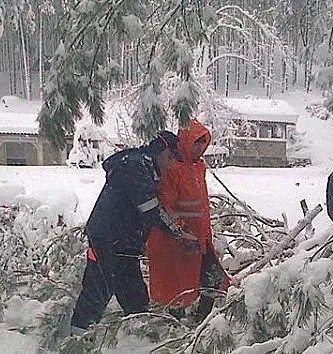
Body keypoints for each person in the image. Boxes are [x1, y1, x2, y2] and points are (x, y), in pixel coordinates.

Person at [69, 131, 198, 335]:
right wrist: (178, 233)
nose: (170, 164)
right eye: (171, 158)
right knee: (99, 290)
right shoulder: (135, 166)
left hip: (124, 242)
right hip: (108, 239)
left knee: (135, 294)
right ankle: (77, 341)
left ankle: (136, 338)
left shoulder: (144, 167)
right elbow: (150, 209)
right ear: (163, 153)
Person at [147, 118, 228, 322]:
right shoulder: (172, 168)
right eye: (196, 144)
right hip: (178, 239)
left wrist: (205, 234)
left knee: (212, 279)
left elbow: (200, 205)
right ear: (185, 143)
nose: (199, 149)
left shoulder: (199, 167)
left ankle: (201, 319)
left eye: (203, 144)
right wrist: (182, 230)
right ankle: (177, 322)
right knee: (177, 284)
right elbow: (166, 205)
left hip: (200, 237)